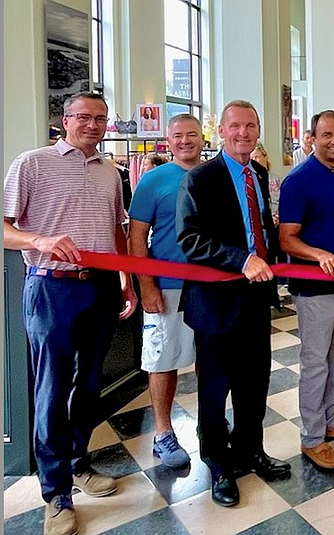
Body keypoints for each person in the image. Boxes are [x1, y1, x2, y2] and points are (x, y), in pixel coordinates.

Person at [3, 91, 138, 535]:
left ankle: (79, 462)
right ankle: (56, 493)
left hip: (99, 289)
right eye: (85, 117)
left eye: (101, 119)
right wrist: (39, 241)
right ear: (65, 120)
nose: (94, 125)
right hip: (51, 288)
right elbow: (5, 228)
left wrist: (126, 280)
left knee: (90, 384)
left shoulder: (111, 173)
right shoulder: (32, 163)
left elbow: (117, 230)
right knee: (51, 387)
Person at [176, 100, 290, 508]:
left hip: (256, 300)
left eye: (251, 126)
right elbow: (190, 240)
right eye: (236, 127)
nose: (244, 133)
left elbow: (264, 231)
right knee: (214, 389)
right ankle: (219, 465)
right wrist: (242, 259)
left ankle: (250, 450)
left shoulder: (258, 173)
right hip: (216, 305)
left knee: (254, 382)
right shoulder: (200, 180)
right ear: (221, 132)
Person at [279, 110, 334, 471]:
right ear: (312, 138)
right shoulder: (298, 180)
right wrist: (319, 255)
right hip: (313, 286)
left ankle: (329, 421)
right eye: (326, 134)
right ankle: (312, 437)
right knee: (315, 361)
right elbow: (287, 238)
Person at [128, 114, 205, 470]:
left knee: (212, 358)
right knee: (163, 360)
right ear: (168, 140)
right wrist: (146, 286)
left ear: (201, 137)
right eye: (178, 136)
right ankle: (162, 432)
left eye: (192, 134)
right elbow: (136, 238)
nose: (185, 141)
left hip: (209, 286)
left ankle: (211, 424)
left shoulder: (214, 175)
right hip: (167, 285)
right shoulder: (153, 181)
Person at [251, 142, 283, 226]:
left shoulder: (278, 179)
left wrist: (278, 217)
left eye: (257, 157)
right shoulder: (250, 181)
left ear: (265, 157)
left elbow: (285, 200)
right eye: (251, 158)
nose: (254, 160)